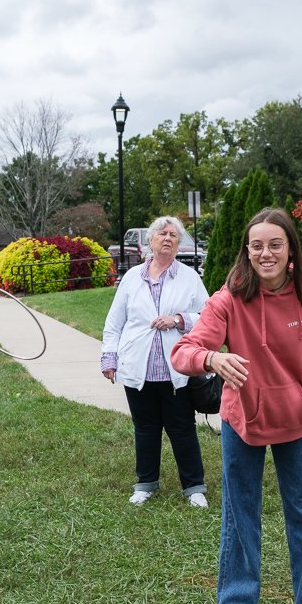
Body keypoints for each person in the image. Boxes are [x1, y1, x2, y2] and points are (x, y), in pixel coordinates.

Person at [171, 208, 302, 604]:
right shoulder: (229, 299)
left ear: (290, 252)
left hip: (297, 420)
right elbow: (184, 351)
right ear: (248, 251)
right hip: (241, 421)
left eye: (275, 245)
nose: (266, 253)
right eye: (257, 245)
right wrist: (213, 359)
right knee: (240, 513)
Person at [101, 216, 210, 508]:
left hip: (177, 369)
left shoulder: (190, 278)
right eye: (162, 233)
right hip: (139, 366)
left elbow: (209, 318)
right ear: (150, 240)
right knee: (145, 428)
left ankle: (194, 487)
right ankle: (146, 483)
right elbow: (114, 323)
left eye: (174, 235)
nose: (168, 238)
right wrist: (109, 358)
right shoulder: (131, 278)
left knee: (182, 429)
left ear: (179, 243)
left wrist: (178, 320)